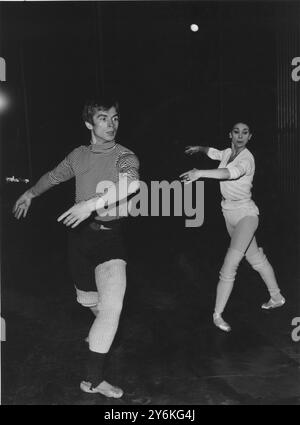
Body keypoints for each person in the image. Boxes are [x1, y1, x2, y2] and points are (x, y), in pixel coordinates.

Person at [13, 97, 140, 397]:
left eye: (115, 118)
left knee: (112, 309)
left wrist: (90, 204)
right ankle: (100, 335)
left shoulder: (125, 155)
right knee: (94, 307)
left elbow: (131, 185)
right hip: (79, 241)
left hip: (111, 239)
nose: (111, 124)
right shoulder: (78, 156)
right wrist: (30, 193)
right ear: (89, 124)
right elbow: (53, 177)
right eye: (103, 118)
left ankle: (92, 380)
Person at [180, 122, 285, 332]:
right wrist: (199, 149)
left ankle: (217, 315)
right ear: (230, 134)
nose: (240, 135)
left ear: (249, 137)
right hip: (228, 215)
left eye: (245, 132)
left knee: (230, 265)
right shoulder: (227, 152)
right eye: (236, 131)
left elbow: (229, 173)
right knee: (256, 258)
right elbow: (215, 153)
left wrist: (199, 173)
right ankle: (277, 297)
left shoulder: (247, 159)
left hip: (247, 215)